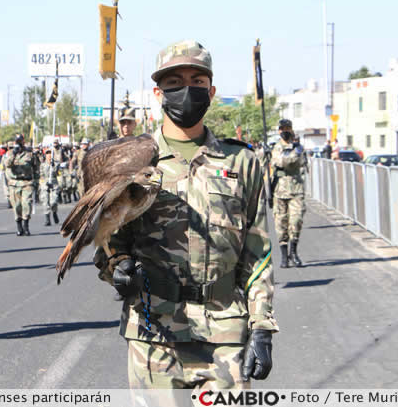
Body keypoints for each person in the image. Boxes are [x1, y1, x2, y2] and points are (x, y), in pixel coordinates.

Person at [93, 40, 277, 394]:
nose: (186, 90)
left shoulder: (241, 162)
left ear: (212, 91)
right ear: (158, 92)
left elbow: (258, 253)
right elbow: (109, 239)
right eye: (174, 82)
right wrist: (116, 269)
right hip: (152, 332)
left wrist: (263, 327)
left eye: (196, 81)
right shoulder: (132, 162)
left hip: (225, 332)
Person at [271, 119, 306, 268]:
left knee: (296, 221)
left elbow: (294, 161)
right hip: (279, 190)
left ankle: (294, 252)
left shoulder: (298, 147)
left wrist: (281, 159)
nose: (285, 131)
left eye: (287, 128)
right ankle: (284, 256)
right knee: (280, 224)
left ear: (291, 129)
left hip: (295, 190)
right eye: (282, 128)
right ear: (279, 131)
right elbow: (274, 162)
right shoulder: (274, 147)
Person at [3, 134, 38, 236]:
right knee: (17, 206)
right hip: (14, 183)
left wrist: (36, 181)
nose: (18, 143)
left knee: (26, 204)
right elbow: (7, 164)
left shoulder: (29, 154)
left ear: (23, 141)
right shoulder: (9, 153)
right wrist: (14, 154)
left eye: (20, 141)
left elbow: (36, 167)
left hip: (27, 182)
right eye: (16, 142)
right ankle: (19, 227)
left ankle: (26, 226)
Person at [39, 147, 60, 226]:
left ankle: (54, 212)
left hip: (54, 184)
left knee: (53, 201)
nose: (49, 155)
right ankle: (47, 219)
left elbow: (56, 172)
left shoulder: (56, 163)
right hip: (45, 184)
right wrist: (42, 183)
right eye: (47, 153)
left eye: (50, 153)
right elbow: (41, 175)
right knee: (45, 201)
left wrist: (53, 165)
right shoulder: (43, 165)